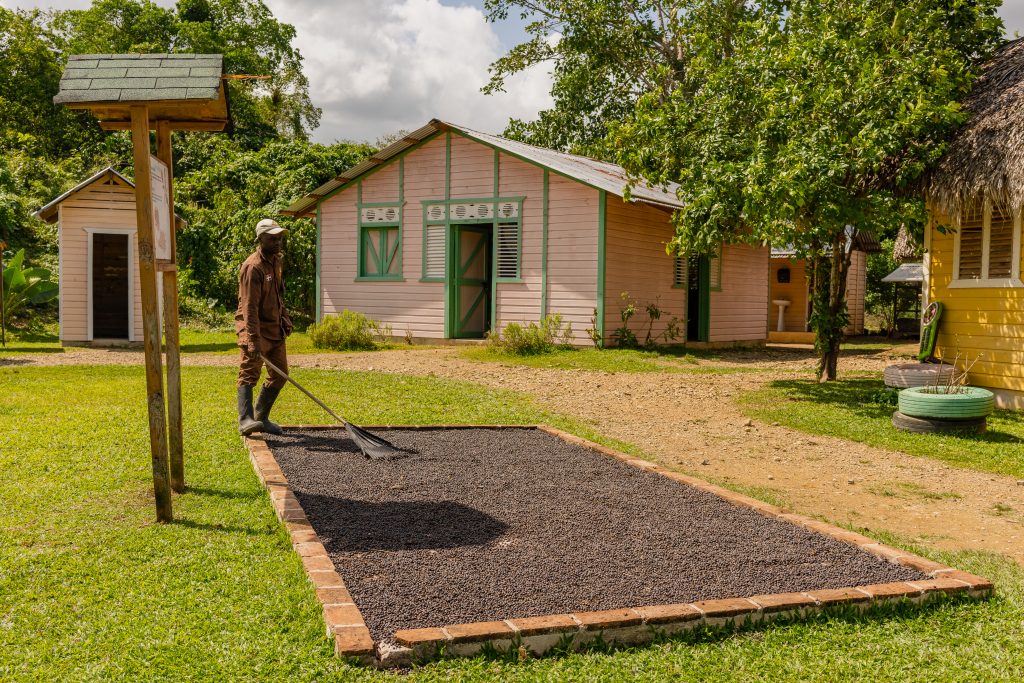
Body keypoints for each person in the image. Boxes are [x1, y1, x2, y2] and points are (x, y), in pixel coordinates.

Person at [235, 218, 293, 436]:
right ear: (260, 239)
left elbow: (279, 294)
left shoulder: (276, 261)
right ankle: (245, 420)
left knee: (280, 374)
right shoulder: (253, 267)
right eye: (272, 238)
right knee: (249, 373)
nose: (278, 242)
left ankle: (261, 416)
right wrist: (252, 339)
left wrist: (284, 317)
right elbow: (249, 308)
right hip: (254, 329)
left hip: (274, 328)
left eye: (279, 238)